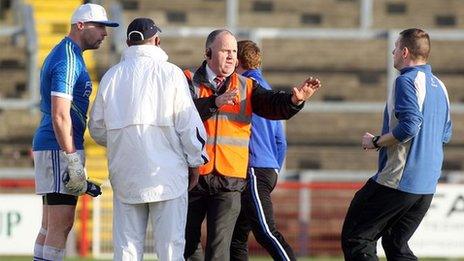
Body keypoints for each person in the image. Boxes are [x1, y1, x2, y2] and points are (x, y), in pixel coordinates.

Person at [183, 29, 322, 261]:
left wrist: (294, 100)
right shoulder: (187, 80)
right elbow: (180, 115)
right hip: (194, 177)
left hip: (230, 180)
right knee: (187, 244)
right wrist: (214, 102)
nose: (231, 57)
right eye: (225, 51)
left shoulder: (247, 85)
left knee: (219, 250)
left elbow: (271, 104)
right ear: (208, 53)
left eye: (234, 52)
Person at [88, 18, 208, 261]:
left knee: (126, 250)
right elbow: (188, 125)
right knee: (171, 249)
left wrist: (124, 143)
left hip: (126, 175)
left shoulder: (112, 77)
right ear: (156, 41)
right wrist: (196, 160)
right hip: (167, 176)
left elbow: (97, 128)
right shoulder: (171, 74)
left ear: (128, 43)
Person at [341, 28, 452, 261]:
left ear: (404, 52)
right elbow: (445, 134)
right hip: (426, 187)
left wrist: (375, 142)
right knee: (395, 243)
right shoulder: (440, 86)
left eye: (395, 47)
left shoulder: (406, 81)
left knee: (357, 238)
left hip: (399, 181)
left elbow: (411, 126)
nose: (392, 51)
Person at [31, 3, 118, 261]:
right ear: (81, 25)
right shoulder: (68, 58)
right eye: (100, 26)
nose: (104, 33)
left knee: (50, 225)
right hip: (59, 146)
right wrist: (71, 158)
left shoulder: (67, 53)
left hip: (52, 144)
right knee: (61, 225)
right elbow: (60, 113)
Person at [230, 40, 296, 261]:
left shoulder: (244, 87)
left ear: (237, 60)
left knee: (266, 231)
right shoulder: (266, 87)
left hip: (253, 169)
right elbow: (280, 140)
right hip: (267, 168)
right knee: (236, 237)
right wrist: (274, 168)